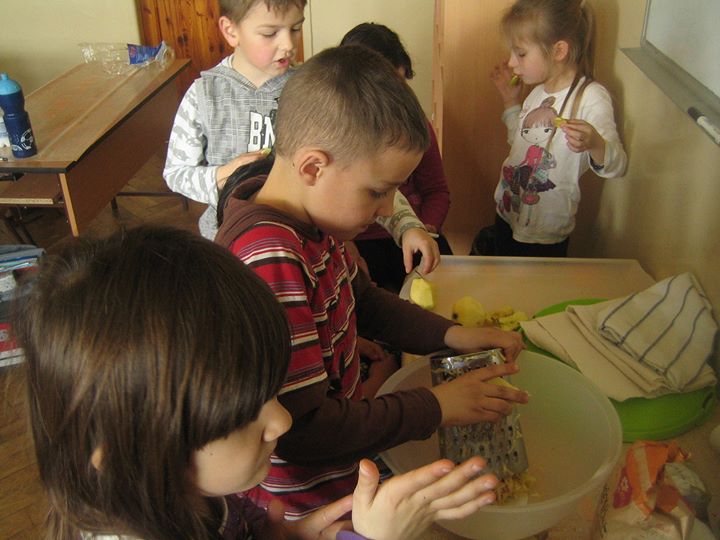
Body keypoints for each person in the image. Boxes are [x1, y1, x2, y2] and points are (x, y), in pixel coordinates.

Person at [14, 225, 502, 540]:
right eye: (243, 412)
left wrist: (281, 537)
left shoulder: (186, 492)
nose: (282, 420)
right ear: (133, 452)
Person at [215, 44, 528, 518]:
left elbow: (359, 298)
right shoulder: (270, 257)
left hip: (344, 460)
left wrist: (451, 335)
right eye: (378, 191)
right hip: (309, 502)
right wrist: (436, 406)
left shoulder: (311, 220)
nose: (387, 209)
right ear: (313, 167)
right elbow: (306, 431)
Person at [163, 0, 439, 278]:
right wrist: (221, 176)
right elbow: (176, 173)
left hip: (309, 247)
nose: (288, 45)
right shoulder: (203, 94)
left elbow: (367, 174)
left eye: (295, 29)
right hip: (229, 250)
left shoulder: (315, 89)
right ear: (230, 30)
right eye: (270, 33)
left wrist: (406, 225)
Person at [490, 0, 627, 257]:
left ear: (559, 50)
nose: (511, 63)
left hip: (543, 235)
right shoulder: (538, 93)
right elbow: (521, 143)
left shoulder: (591, 98)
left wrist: (596, 144)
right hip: (508, 212)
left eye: (520, 54)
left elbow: (618, 165)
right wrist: (511, 102)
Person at [340, 22, 453, 293]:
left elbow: (436, 191)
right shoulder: (342, 136)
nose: (395, 100)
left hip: (408, 236)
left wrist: (420, 227)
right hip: (359, 243)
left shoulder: (415, 126)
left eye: (401, 86)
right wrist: (344, 244)